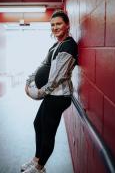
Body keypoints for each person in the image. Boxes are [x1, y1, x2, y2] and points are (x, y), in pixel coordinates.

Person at [21, 10, 78, 173]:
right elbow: (42, 65)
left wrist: (37, 93)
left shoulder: (69, 46)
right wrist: (28, 81)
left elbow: (56, 79)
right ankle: (36, 159)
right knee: (38, 124)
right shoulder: (56, 45)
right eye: (52, 25)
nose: (55, 27)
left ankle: (40, 167)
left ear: (67, 25)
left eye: (58, 24)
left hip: (59, 97)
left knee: (48, 131)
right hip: (51, 95)